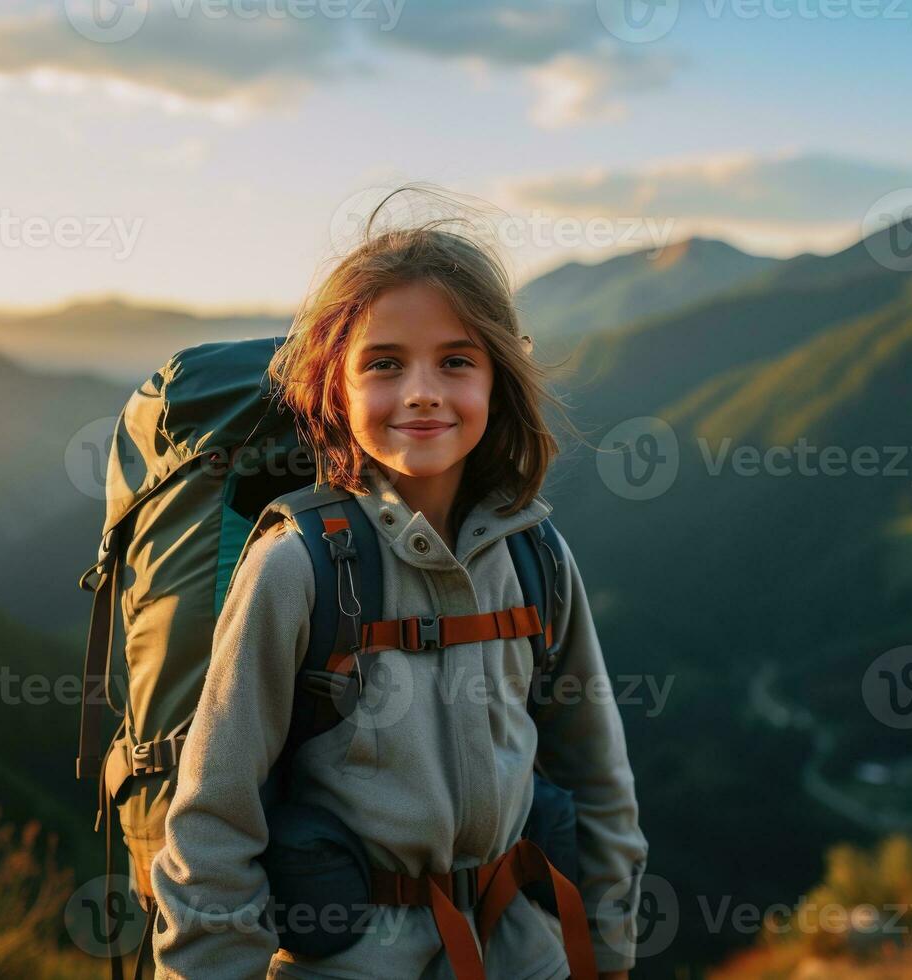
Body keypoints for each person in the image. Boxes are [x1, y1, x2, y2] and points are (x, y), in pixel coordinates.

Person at [150, 189, 649, 980]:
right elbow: (215, 816)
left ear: (497, 379)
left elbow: (598, 773)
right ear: (335, 388)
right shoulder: (297, 568)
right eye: (384, 364)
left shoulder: (537, 557)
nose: (421, 391)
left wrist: (611, 949)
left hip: (527, 956)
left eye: (456, 361)